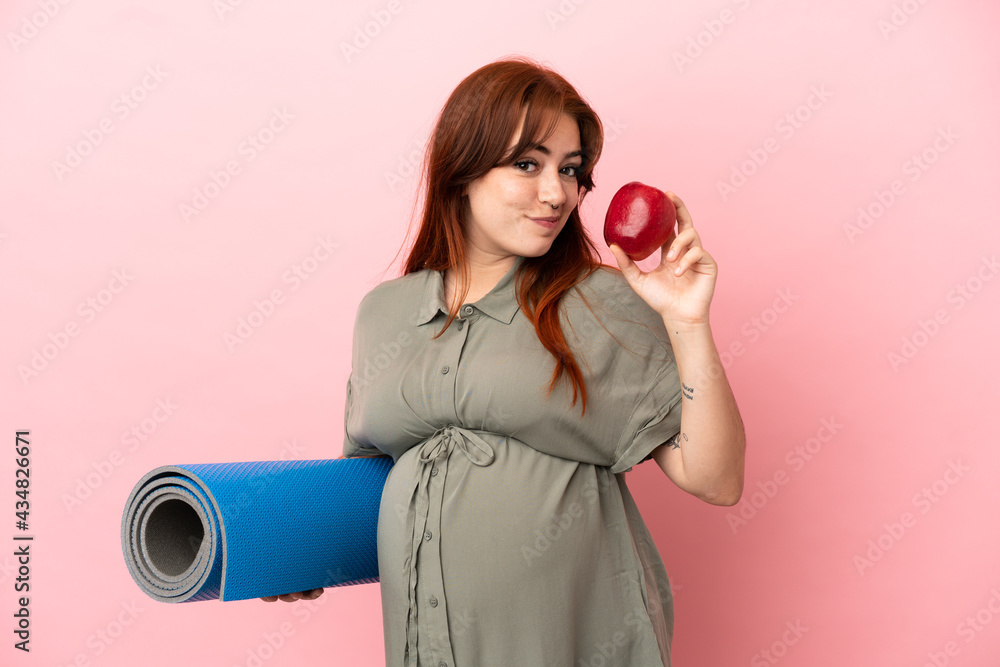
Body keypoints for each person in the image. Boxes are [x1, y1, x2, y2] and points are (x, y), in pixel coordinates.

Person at [263, 55, 745, 667]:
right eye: (527, 165)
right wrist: (299, 550)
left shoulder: (601, 302)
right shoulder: (383, 314)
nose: (557, 193)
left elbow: (716, 479)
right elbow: (370, 488)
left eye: (571, 170)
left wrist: (688, 323)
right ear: (462, 171)